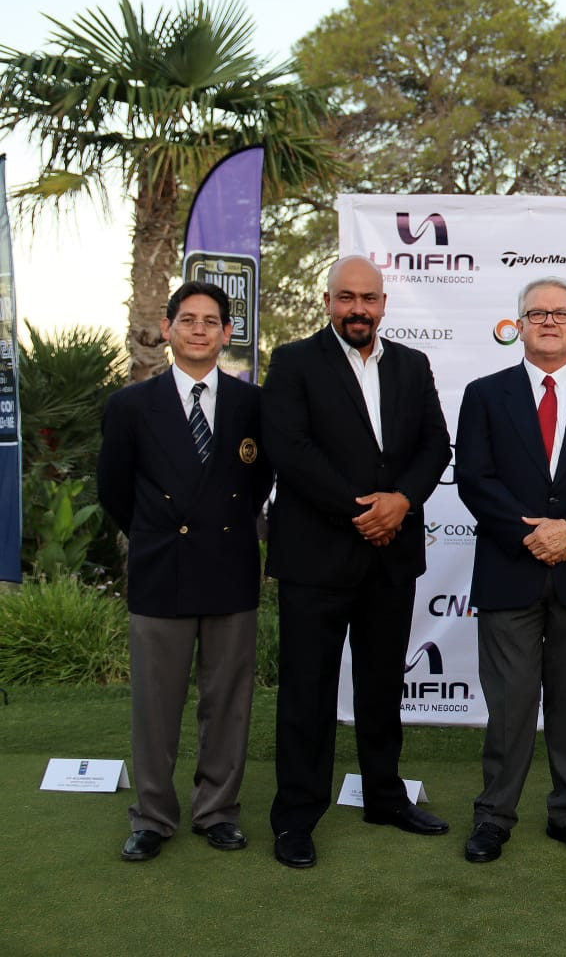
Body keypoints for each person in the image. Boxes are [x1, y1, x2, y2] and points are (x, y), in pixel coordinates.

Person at [262, 254, 452, 869]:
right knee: (306, 694)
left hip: (390, 560)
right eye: (346, 298)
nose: (358, 309)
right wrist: (362, 511)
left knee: (379, 689)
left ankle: (384, 797)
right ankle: (295, 817)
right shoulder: (293, 362)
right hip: (316, 559)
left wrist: (400, 502)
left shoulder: (411, 364)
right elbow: (289, 450)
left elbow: (435, 445)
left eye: (368, 299)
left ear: (383, 304)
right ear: (327, 302)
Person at [454, 277, 566, 863]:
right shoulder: (486, 394)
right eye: (538, 313)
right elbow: (474, 480)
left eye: (562, 314)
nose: (550, 322)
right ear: (520, 325)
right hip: (511, 568)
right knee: (509, 703)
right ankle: (494, 816)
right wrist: (531, 534)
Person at [98, 281, 273, 862]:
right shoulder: (129, 406)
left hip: (229, 567)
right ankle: (152, 817)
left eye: (211, 321)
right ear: (169, 329)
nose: (199, 329)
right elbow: (114, 492)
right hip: (160, 570)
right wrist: (155, 536)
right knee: (156, 703)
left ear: (228, 334)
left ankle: (217, 810)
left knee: (227, 701)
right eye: (188, 319)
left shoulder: (254, 405)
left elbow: (257, 489)